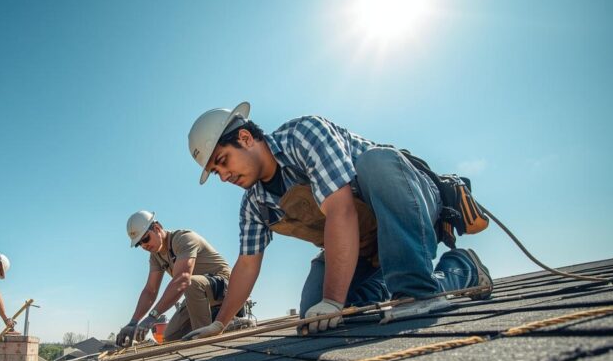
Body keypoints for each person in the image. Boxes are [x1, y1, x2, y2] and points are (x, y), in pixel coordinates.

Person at [183, 102, 492, 339]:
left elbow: (341, 210)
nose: (224, 176)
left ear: (246, 137)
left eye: (222, 162)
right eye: (215, 173)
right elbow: (247, 264)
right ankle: (392, 289)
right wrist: (219, 324)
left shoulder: (304, 135)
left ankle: (457, 269)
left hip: (412, 207)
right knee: (314, 315)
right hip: (366, 248)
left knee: (378, 160)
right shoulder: (254, 205)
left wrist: (333, 299)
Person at [115, 211, 238, 346]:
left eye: (145, 239)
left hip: (227, 289)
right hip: (199, 294)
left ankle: (206, 343)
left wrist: (152, 316)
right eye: (139, 244)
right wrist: (133, 322)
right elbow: (150, 290)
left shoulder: (184, 238)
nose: (144, 246)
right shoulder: (155, 256)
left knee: (190, 283)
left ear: (157, 228)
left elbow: (182, 280)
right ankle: (226, 325)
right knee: (171, 337)